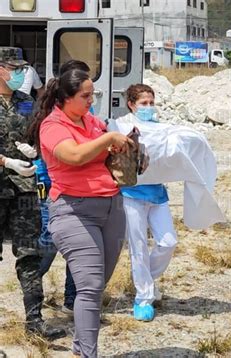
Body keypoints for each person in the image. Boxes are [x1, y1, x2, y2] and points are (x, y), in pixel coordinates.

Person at [30, 68, 133, 357]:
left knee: (98, 285)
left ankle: (80, 349)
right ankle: (88, 353)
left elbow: (105, 156)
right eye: (85, 96)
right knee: (90, 286)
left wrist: (131, 155)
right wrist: (109, 137)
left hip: (112, 207)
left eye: (93, 94)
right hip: (74, 211)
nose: (91, 100)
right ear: (65, 98)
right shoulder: (52, 126)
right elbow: (74, 156)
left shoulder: (93, 121)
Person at [0, 46, 66, 340]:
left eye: (21, 68)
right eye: (13, 68)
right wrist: (4, 161)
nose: (19, 73)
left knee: (29, 254)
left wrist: (35, 151)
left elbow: (37, 134)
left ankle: (34, 322)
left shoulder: (26, 102)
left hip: (24, 190)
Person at [25, 60, 93, 315]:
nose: (89, 96)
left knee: (78, 247)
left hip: (77, 190)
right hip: (52, 188)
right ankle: (30, 285)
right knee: (50, 242)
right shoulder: (50, 116)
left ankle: (72, 301)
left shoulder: (83, 115)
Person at [117, 84, 177, 322]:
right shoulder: (122, 125)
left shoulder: (161, 128)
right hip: (132, 194)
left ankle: (147, 283)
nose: (149, 107)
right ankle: (143, 299)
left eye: (151, 103)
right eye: (143, 103)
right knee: (138, 246)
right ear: (132, 104)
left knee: (168, 241)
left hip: (158, 193)